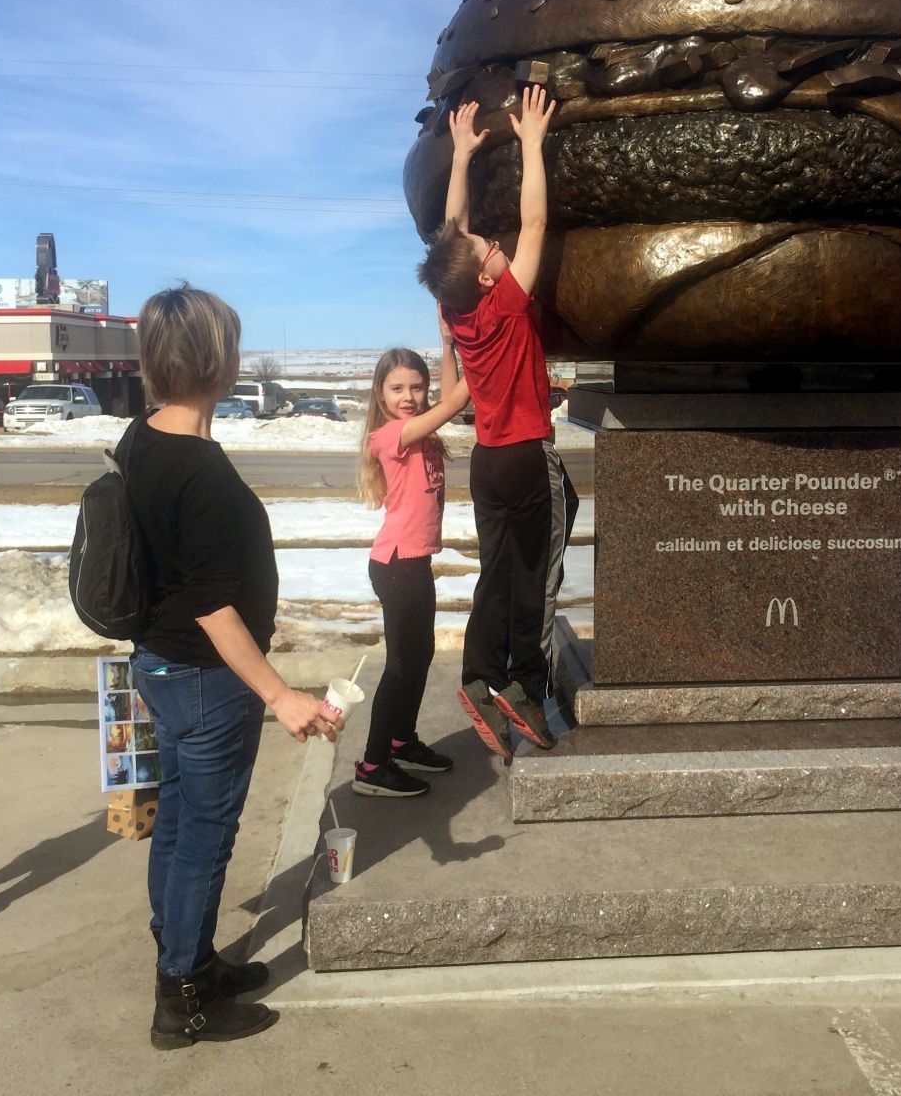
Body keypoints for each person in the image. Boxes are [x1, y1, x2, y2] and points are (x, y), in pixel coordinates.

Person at [125, 283, 340, 1050]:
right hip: (206, 677)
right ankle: (181, 998)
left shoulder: (140, 439)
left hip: (158, 665)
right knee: (206, 836)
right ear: (219, 362)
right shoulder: (201, 473)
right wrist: (280, 695)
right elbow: (216, 608)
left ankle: (186, 954)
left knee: (179, 820)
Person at [416, 86, 578, 756]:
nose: (495, 243)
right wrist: (534, 143)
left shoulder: (458, 312)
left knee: (498, 569)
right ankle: (527, 689)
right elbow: (534, 225)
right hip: (524, 454)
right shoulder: (507, 302)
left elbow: (451, 235)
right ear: (487, 278)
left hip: (487, 461)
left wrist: (460, 158)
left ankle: (481, 676)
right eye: (490, 247)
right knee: (537, 574)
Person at [352, 336, 471, 797]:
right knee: (401, 665)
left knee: (418, 657)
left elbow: (449, 396)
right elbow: (457, 398)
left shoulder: (422, 432)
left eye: (417, 388)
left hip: (414, 563)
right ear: (380, 393)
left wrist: (446, 353)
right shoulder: (390, 436)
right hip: (396, 564)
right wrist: (449, 339)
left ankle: (401, 741)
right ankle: (372, 765)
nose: (408, 397)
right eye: (397, 388)